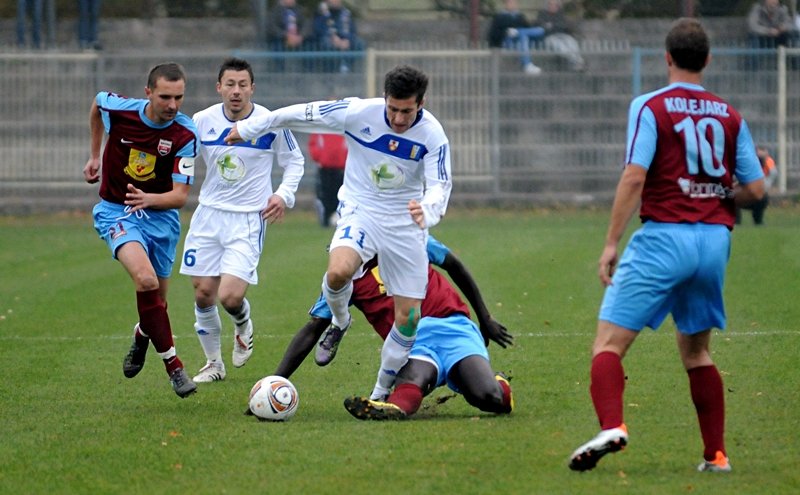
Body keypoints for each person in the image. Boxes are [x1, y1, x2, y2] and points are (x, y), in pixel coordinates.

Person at [568, 18, 765, 473]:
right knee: (697, 351)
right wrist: (716, 194)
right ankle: (716, 456)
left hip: (664, 237)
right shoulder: (729, 114)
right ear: (708, 60)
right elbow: (755, 190)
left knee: (608, 346)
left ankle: (613, 425)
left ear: (667, 57)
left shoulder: (650, 105)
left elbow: (635, 176)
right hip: (715, 242)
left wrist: (612, 242)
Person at [226, 65, 453, 402]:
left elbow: (440, 185)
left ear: (421, 103)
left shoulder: (433, 136)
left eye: (407, 111)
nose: (399, 118)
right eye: (393, 108)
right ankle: (340, 318)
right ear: (385, 99)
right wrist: (248, 127)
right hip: (360, 211)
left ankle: (379, 392)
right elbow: (300, 113)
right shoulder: (359, 112)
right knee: (338, 273)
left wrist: (428, 209)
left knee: (409, 317)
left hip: (406, 223)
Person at [265, 236, 513, 420]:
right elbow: (313, 329)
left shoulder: (407, 238)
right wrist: (273, 383)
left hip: (453, 328)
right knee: (411, 385)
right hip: (412, 346)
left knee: (488, 397)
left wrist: (485, 318)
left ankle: (498, 383)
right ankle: (387, 408)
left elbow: (454, 265)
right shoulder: (344, 281)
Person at [179, 58, 305, 384]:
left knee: (230, 297)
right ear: (218, 87)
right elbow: (183, 158)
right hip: (209, 215)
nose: (236, 92)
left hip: (249, 218)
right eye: (230, 85)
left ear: (252, 87)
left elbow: (294, 161)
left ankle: (243, 323)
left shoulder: (269, 121)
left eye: (243, 85)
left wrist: (283, 195)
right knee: (203, 292)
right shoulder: (201, 121)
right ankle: (213, 364)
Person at [82, 62, 201, 398]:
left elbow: (179, 197)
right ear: (148, 92)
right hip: (116, 211)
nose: (173, 105)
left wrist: (150, 198)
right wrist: (94, 155)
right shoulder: (120, 110)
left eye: (179, 97)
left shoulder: (185, 134)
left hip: (161, 218)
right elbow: (97, 103)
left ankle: (141, 335)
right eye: (165, 96)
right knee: (146, 281)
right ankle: (175, 368)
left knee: (156, 304)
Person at [487, 0, 545, 75]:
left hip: (520, 41)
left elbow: (528, 28)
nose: (512, 4)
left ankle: (517, 31)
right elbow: (494, 33)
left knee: (539, 31)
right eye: (510, 2)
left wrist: (518, 32)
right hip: (507, 41)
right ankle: (527, 64)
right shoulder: (499, 16)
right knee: (524, 35)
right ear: (505, 4)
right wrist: (506, 32)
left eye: (514, 2)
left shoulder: (520, 16)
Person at [311, 0, 365, 73]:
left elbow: (352, 31)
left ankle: (348, 68)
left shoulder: (346, 13)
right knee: (326, 44)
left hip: (345, 41)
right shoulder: (322, 13)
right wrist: (334, 39)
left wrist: (348, 41)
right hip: (330, 41)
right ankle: (330, 73)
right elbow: (319, 30)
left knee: (359, 43)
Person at [308, 131, 347, 227]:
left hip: (342, 169)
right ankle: (325, 220)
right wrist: (321, 158)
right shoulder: (321, 128)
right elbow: (313, 145)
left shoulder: (344, 127)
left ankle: (341, 218)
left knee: (341, 195)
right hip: (325, 168)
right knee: (325, 196)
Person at [535, 0, 585, 72]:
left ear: (558, 6)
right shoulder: (542, 14)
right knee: (560, 46)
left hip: (562, 35)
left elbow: (564, 25)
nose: (553, 6)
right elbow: (540, 25)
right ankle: (576, 62)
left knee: (572, 42)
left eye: (555, 5)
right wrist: (555, 26)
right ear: (547, 5)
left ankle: (579, 61)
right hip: (550, 37)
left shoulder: (560, 14)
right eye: (550, 4)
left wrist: (551, 25)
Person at [736, 144, 778, 225]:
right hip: (742, 193)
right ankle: (736, 222)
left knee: (762, 198)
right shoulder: (745, 163)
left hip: (756, 193)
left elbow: (765, 185)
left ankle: (758, 221)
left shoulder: (769, 164)